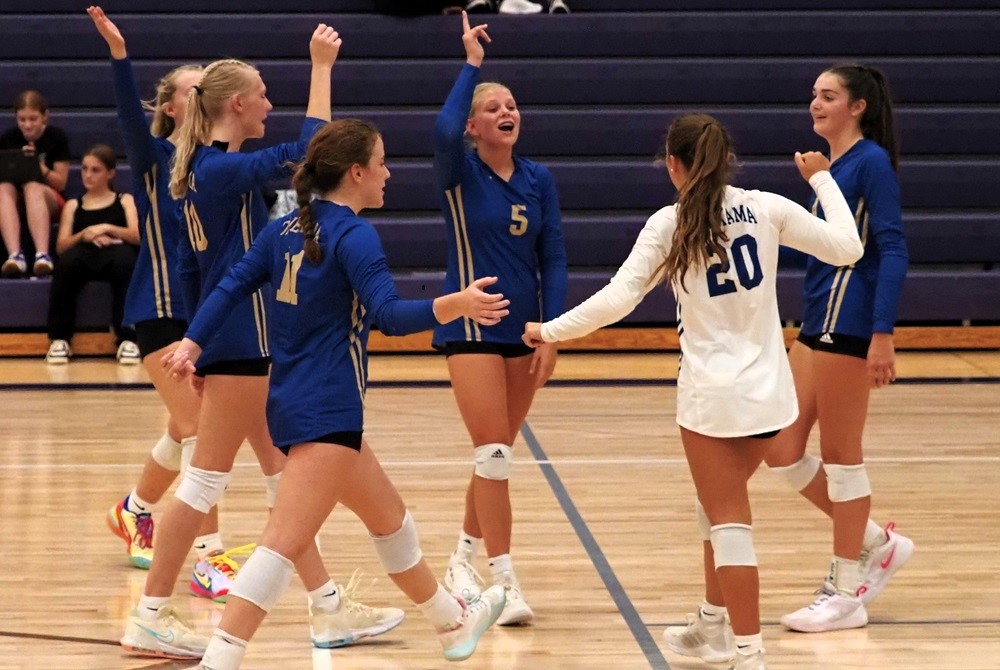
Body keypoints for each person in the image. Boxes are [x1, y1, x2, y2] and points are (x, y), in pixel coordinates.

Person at [163, 117, 509, 669]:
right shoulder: (353, 234)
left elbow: (230, 283)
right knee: (280, 546)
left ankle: (452, 623)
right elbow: (391, 318)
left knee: (391, 521)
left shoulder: (281, 232)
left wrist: (193, 341)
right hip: (328, 413)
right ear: (356, 172)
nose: (388, 173)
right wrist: (456, 304)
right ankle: (220, 660)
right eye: (382, 162)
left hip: (297, 405)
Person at [523, 114, 864, 670]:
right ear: (727, 159)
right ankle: (711, 623)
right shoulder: (767, 206)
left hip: (712, 399)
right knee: (716, 511)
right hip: (771, 395)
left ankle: (748, 653)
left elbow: (617, 300)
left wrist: (549, 329)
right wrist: (823, 179)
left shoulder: (669, 223)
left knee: (729, 522)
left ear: (674, 165)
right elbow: (849, 247)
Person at [121, 27, 402, 660]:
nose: (270, 103)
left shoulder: (198, 169)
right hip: (245, 343)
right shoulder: (218, 169)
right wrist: (321, 67)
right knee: (204, 485)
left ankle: (327, 606)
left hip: (238, 340)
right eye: (263, 94)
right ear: (235, 106)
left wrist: (197, 340)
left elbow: (195, 273)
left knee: (282, 478)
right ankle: (151, 614)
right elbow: (312, 148)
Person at [764, 63, 913, 633]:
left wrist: (882, 333)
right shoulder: (834, 167)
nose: (815, 104)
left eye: (828, 96)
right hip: (814, 323)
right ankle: (876, 541)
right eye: (812, 96)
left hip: (851, 327)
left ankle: (844, 590)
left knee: (843, 458)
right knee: (781, 449)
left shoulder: (870, 163)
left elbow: (893, 249)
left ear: (858, 108)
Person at [88, 5, 233, 589]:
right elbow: (129, 117)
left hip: (203, 314)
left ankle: (135, 509)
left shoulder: (219, 164)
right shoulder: (156, 161)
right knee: (203, 433)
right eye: (190, 90)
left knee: (185, 426)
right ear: (171, 107)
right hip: (158, 310)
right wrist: (121, 56)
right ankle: (208, 556)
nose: (200, 97)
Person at [433, 11, 567, 626]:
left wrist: (553, 330)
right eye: (493, 108)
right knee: (492, 453)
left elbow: (554, 257)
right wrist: (472, 66)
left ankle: (460, 559)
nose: (507, 113)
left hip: (523, 332)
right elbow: (439, 129)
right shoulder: (459, 172)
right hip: (469, 329)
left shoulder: (539, 179)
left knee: (498, 457)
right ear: (473, 125)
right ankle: (504, 580)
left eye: (511, 106)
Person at [44, 144, 139, 365]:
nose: (88, 175)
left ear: (110, 173)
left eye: (95, 170)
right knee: (65, 264)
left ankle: (128, 338)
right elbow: (61, 246)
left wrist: (107, 228)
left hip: (117, 252)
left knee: (127, 262)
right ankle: (60, 339)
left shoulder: (124, 200)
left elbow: (136, 236)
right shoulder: (73, 205)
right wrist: (85, 234)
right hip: (83, 253)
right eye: (85, 169)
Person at [0, 90, 70, 278]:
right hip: (17, 198)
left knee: (33, 187)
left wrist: (38, 166)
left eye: (33, 119)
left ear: (44, 116)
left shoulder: (56, 137)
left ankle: (42, 255)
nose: (27, 125)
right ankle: (15, 255)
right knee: (3, 188)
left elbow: (61, 183)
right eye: (22, 119)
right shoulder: (8, 138)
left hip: (49, 199)